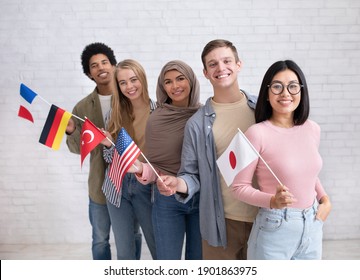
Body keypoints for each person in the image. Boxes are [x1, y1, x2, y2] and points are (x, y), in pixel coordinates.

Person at [157, 39, 259, 260]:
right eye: (213, 64)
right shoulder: (197, 124)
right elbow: (191, 174)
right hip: (222, 224)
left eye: (226, 61)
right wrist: (179, 184)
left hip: (265, 219)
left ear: (239, 64)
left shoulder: (262, 109)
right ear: (205, 72)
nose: (221, 68)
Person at [231, 60, 332, 260]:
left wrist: (325, 200)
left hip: (312, 225)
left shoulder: (312, 129)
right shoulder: (256, 133)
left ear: (301, 91)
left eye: (293, 86)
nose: (286, 93)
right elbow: (238, 187)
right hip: (274, 229)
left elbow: (309, 172)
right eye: (277, 86)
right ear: (267, 93)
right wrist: (272, 201)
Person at [130, 60, 202, 259]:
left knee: (198, 260)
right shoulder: (157, 119)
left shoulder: (205, 115)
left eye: (180, 78)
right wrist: (140, 168)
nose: (175, 86)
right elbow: (155, 165)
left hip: (202, 198)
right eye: (168, 82)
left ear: (192, 80)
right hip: (167, 197)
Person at [101, 59, 157, 260]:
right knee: (125, 254)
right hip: (117, 186)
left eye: (133, 80)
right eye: (122, 83)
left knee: (159, 248)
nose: (129, 87)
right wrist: (108, 145)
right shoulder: (113, 114)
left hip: (147, 186)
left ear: (142, 78)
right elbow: (109, 158)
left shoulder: (158, 111)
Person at [66, 42, 117, 260]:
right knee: (99, 239)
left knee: (133, 234)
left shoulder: (131, 97)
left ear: (114, 65)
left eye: (104, 62)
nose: (101, 67)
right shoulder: (82, 107)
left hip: (130, 181)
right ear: (89, 74)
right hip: (99, 185)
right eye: (94, 65)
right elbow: (77, 149)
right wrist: (70, 131)